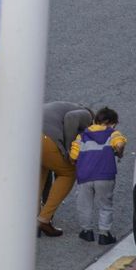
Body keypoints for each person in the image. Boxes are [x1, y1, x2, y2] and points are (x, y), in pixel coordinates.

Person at [38, 101, 94, 237]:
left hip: (27, 137)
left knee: (41, 171)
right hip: (46, 138)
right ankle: (43, 219)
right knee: (68, 172)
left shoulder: (59, 107)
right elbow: (72, 118)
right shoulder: (88, 116)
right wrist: (68, 150)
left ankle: (31, 219)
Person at [72, 106, 127, 244]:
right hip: (105, 175)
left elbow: (73, 155)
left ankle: (87, 232)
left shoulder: (82, 136)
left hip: (85, 176)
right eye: (115, 123)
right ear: (109, 122)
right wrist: (119, 151)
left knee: (84, 204)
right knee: (105, 205)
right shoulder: (112, 133)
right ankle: (104, 234)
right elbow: (119, 142)